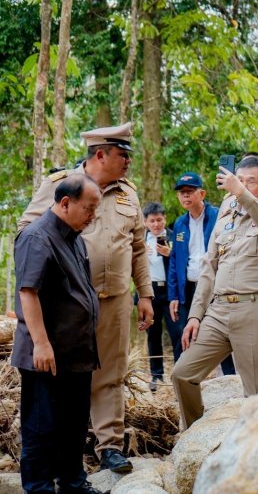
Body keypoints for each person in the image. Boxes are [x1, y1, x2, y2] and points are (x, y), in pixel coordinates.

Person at [18, 122, 153, 473]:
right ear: (100, 154)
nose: (128, 162)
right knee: (64, 378)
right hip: (67, 307)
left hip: (114, 301)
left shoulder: (129, 194)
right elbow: (28, 233)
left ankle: (109, 446)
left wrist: (146, 295)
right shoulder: (60, 185)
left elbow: (139, 248)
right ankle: (61, 454)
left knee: (111, 373)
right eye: (122, 155)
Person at [171, 154, 258, 429]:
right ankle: (196, 438)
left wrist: (242, 193)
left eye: (251, 182)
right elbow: (209, 266)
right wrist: (195, 316)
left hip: (255, 309)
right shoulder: (226, 213)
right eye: (240, 181)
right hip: (219, 310)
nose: (243, 187)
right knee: (182, 374)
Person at [12, 175, 103, 494]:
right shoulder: (37, 237)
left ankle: (73, 484)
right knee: (42, 427)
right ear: (65, 203)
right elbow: (28, 292)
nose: (93, 215)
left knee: (74, 426)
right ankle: (38, 488)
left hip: (76, 352)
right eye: (89, 207)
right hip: (47, 353)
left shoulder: (75, 236)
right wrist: (41, 343)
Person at [166, 172, 234, 376]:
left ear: (202, 193)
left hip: (215, 286)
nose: (185, 197)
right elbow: (175, 262)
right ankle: (186, 379)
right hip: (188, 287)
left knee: (220, 332)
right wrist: (174, 296)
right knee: (185, 333)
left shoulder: (218, 216)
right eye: (181, 193)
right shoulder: (179, 224)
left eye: (189, 192)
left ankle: (229, 379)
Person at [141, 202, 181, 392]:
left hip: (171, 293)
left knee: (177, 333)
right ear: (145, 222)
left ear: (165, 219)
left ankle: (180, 374)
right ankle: (156, 375)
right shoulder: (139, 240)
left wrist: (169, 254)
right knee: (153, 335)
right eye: (152, 221)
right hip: (149, 293)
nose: (156, 224)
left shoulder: (174, 237)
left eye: (159, 220)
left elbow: (183, 262)